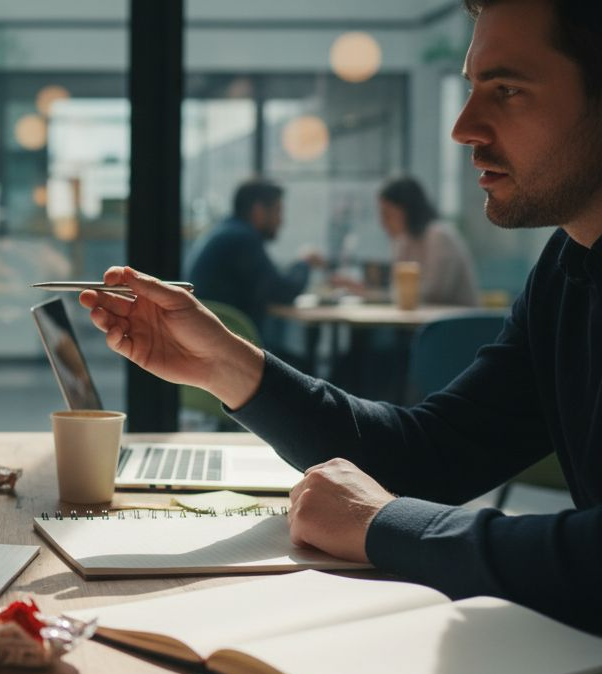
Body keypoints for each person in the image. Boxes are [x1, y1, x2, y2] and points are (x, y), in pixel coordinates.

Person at [81, 0, 602, 633]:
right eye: (471, 88)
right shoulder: (566, 268)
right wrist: (228, 366)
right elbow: (431, 455)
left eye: (508, 90)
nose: (464, 126)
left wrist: (386, 526)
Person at [187, 179, 320, 333]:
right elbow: (283, 291)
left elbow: (269, 280)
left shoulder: (228, 231)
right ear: (258, 211)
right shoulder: (242, 239)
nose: (281, 221)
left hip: (211, 334)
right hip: (229, 339)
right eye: (278, 210)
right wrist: (305, 262)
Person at [378, 176, 480, 306]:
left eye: (387, 214)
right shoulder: (403, 241)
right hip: (421, 321)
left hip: (456, 322)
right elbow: (396, 290)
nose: (383, 223)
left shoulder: (439, 236)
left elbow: (436, 293)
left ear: (407, 209)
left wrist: (394, 294)